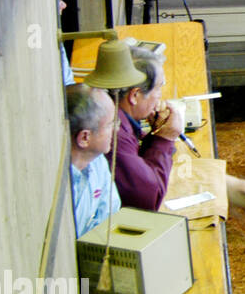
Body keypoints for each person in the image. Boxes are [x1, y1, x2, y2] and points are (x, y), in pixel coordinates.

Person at [108, 47, 183, 211]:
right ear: (134, 95)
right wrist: (164, 140)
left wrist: (154, 137)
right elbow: (150, 199)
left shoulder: (116, 112)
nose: (160, 96)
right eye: (159, 87)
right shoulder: (114, 132)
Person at [68, 84, 121, 237]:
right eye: (111, 124)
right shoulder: (57, 182)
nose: (116, 129)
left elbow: (110, 221)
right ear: (85, 138)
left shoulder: (98, 161)